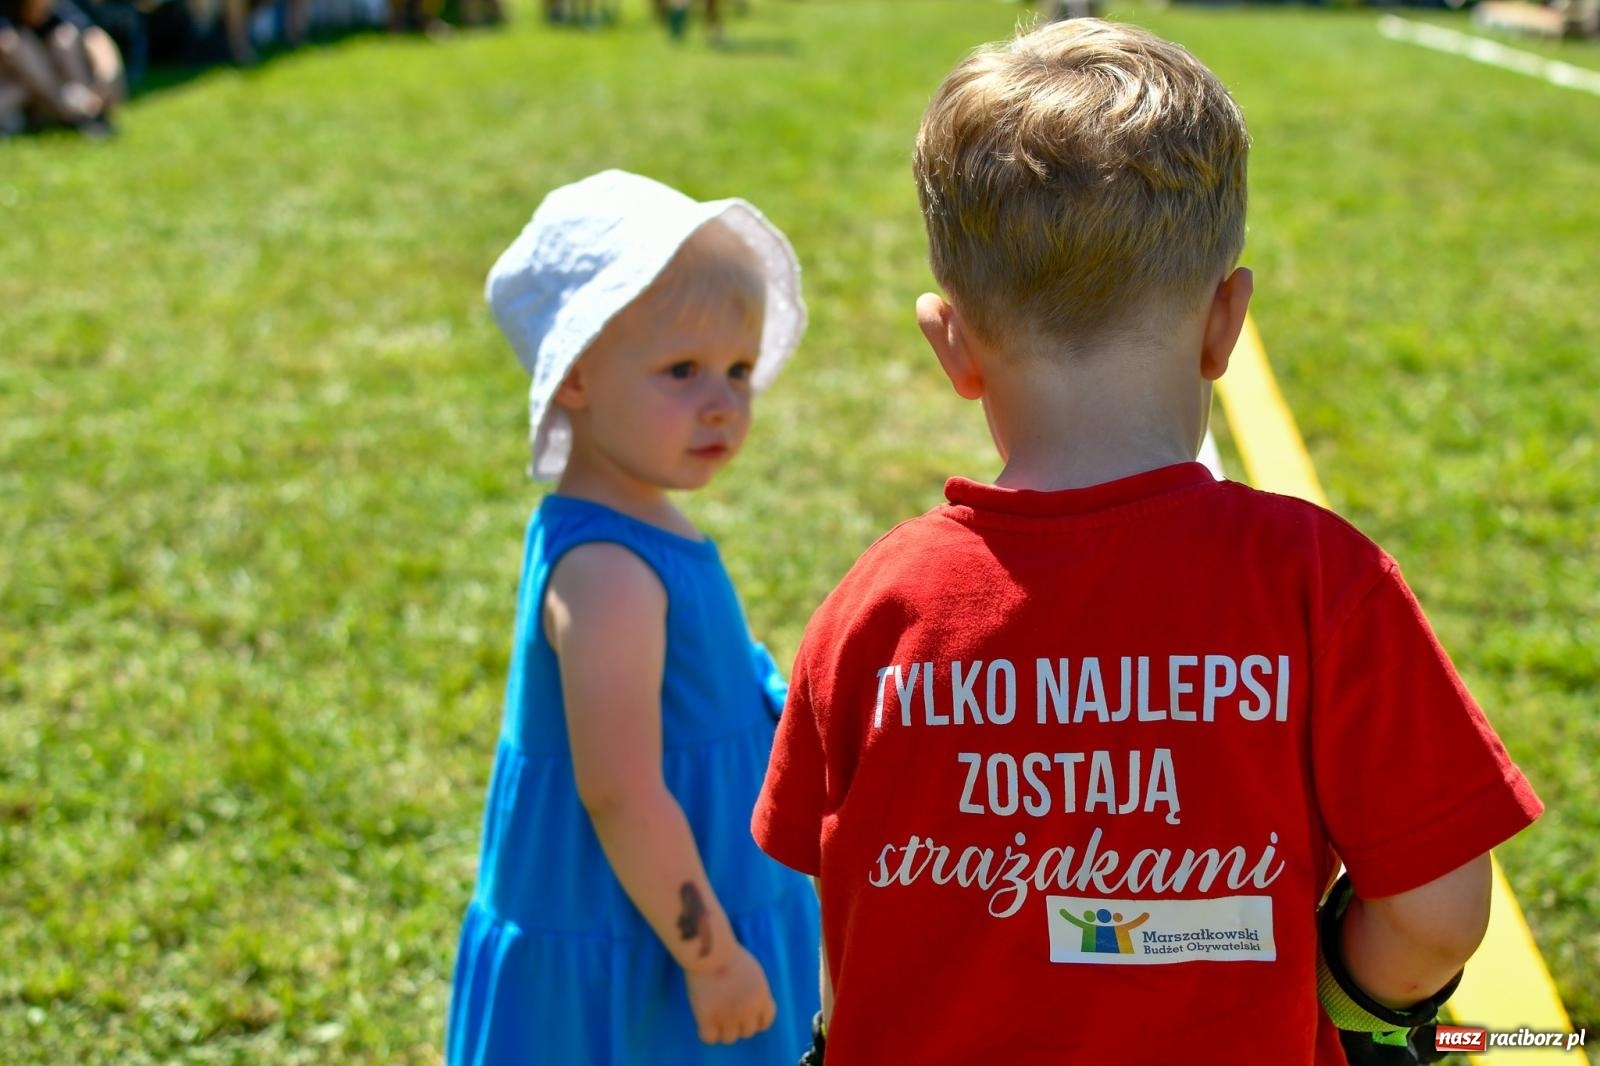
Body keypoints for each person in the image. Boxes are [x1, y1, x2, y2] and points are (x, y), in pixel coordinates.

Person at [752, 18, 1543, 1065]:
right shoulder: (1320, 585)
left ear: (952, 345)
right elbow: (1436, 916)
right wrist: (1349, 998)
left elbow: (836, 902)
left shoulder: (878, 608)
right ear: (1226, 322)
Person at [447, 169, 821, 1066]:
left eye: (737, 370)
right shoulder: (609, 570)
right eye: (682, 371)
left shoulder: (638, 516)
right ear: (575, 376)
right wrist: (714, 956)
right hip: (645, 930)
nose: (724, 400)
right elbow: (618, 788)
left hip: (685, 885)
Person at [0, 0, 122, 136]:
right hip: (14, 83)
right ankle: (77, 111)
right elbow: (8, 45)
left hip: (50, 83)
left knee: (65, 38)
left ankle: (84, 104)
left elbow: (93, 36)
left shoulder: (56, 6)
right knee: (17, 45)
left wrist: (107, 76)